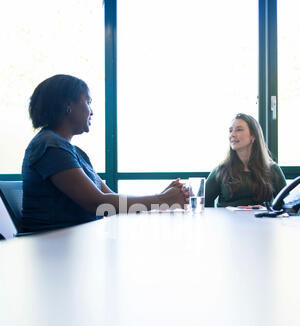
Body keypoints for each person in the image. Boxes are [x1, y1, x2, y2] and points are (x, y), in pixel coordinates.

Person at [22, 74, 188, 232]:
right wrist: (163, 200)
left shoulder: (73, 152)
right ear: (68, 106)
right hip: (51, 247)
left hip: (75, 241)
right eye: (88, 102)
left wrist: (162, 198)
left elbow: (109, 199)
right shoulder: (50, 146)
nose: (91, 111)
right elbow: (97, 203)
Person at [205, 113, 286, 207]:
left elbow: (287, 206)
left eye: (239, 130)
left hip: (261, 220)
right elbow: (204, 204)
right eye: (230, 131)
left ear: (253, 136)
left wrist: (268, 209)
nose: (233, 135)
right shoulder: (221, 170)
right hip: (228, 221)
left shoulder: (272, 169)